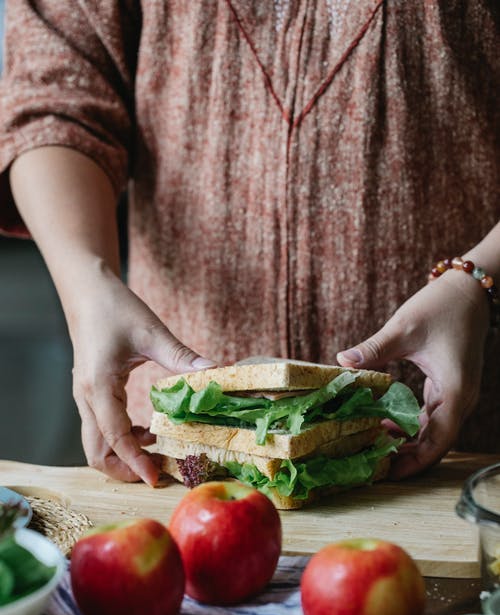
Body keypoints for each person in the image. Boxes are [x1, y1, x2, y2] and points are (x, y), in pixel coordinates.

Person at [0, 1, 499, 487]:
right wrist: (87, 285)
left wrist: (477, 278)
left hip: (449, 457)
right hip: (186, 471)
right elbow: (54, 99)